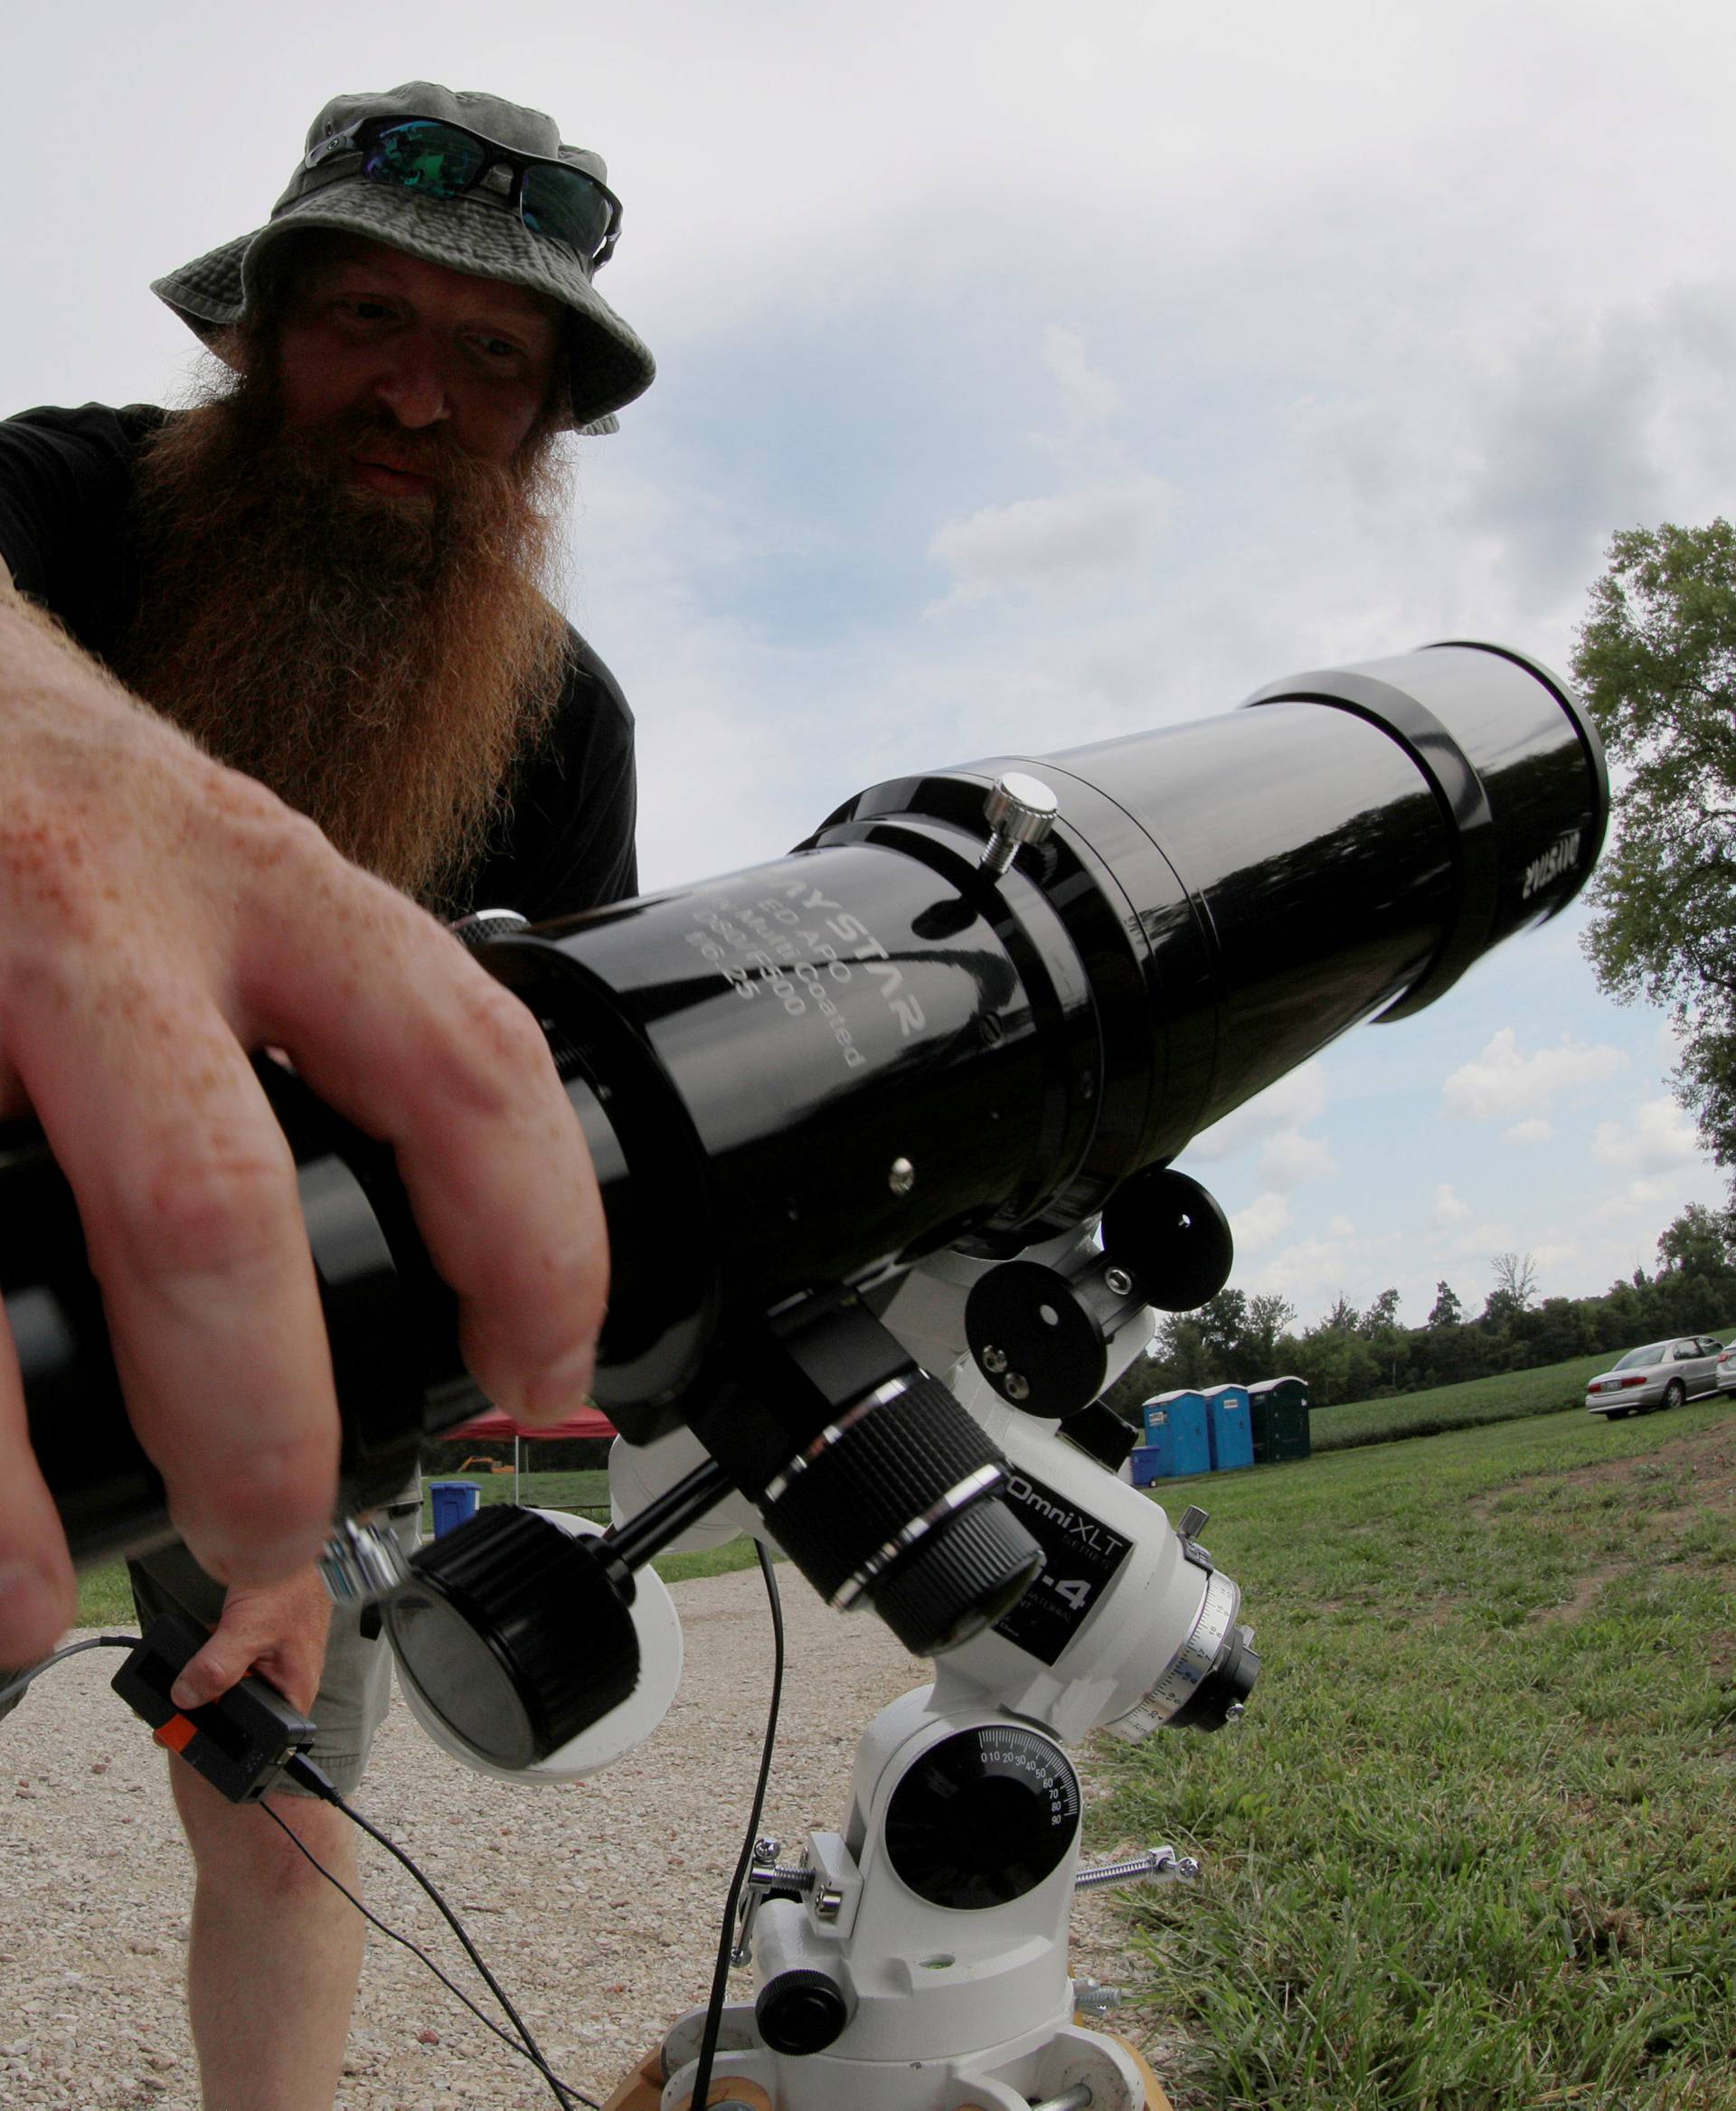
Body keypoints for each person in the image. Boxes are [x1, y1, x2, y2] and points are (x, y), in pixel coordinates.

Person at [0, 81, 655, 2110]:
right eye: (367, 319)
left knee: (281, 1815)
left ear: (542, 425)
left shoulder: (564, 717)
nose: (417, 395)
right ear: (253, 331)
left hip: (306, 1337)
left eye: (490, 357)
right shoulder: (55, 497)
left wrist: (341, 1516)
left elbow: (548, 1132)